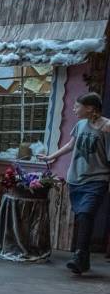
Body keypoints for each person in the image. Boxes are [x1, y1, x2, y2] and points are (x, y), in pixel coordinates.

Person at [39, 92, 110, 274]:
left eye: (77, 106)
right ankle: (83, 259)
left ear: (90, 108)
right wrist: (50, 157)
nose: (73, 109)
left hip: (97, 179)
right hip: (75, 178)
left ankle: (79, 256)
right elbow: (70, 145)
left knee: (86, 214)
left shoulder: (107, 127)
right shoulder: (80, 125)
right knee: (81, 217)